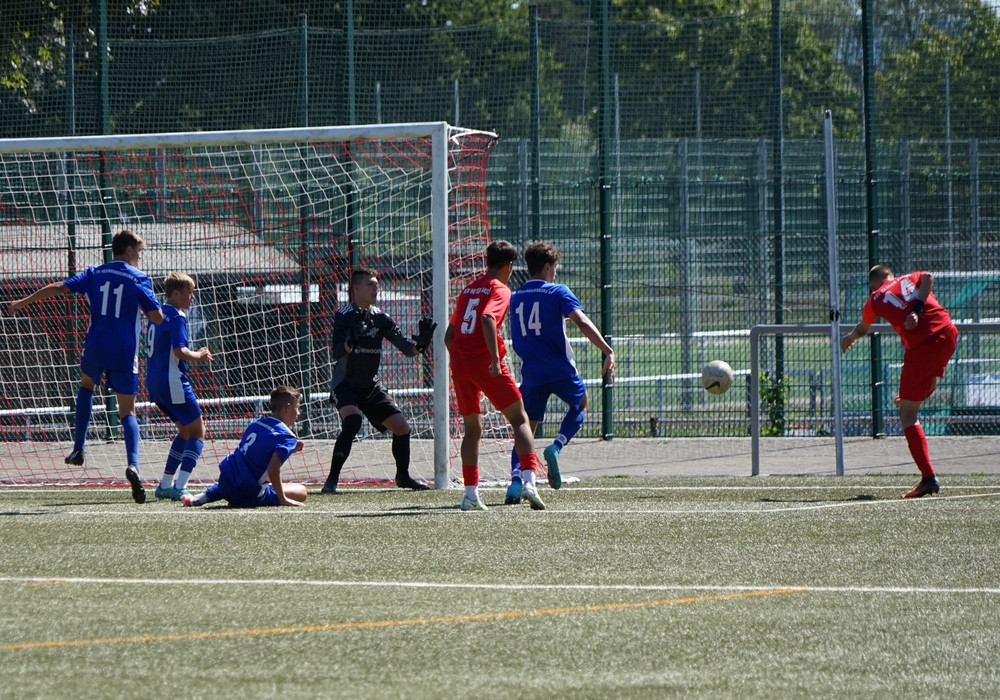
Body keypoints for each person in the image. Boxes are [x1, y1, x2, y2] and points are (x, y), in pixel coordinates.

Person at [8, 229, 163, 503]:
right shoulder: (138, 278)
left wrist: (23, 302)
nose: (140, 257)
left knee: (87, 386)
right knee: (127, 411)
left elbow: (58, 287)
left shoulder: (94, 273)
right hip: (125, 350)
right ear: (128, 251)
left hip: (96, 345)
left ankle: (79, 447)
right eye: (139, 251)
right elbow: (157, 317)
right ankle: (133, 465)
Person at [505, 241, 616, 503]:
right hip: (559, 369)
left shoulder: (515, 296)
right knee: (581, 404)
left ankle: (515, 482)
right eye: (554, 268)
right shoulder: (557, 291)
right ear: (546, 267)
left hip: (531, 372)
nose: (555, 272)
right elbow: (581, 320)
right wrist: (607, 350)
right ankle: (556, 446)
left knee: (525, 429)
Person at [841, 265, 958, 499]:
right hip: (948, 332)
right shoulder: (909, 277)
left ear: (873, 284)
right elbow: (928, 277)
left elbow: (864, 327)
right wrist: (917, 307)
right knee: (915, 395)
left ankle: (928, 478)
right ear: (890, 275)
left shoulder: (875, 298)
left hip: (923, 345)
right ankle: (918, 393)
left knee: (907, 415)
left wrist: (849, 337)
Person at [444, 240, 544, 511]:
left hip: (460, 363)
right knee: (519, 418)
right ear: (509, 266)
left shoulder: (467, 289)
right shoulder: (500, 289)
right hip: (485, 362)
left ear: (487, 261)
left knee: (472, 430)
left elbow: (449, 336)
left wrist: (459, 361)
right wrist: (496, 361)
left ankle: (470, 494)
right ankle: (529, 482)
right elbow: (488, 318)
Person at [320, 267, 437, 494]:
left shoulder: (381, 318)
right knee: (353, 422)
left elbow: (406, 349)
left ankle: (403, 476)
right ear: (355, 288)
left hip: (370, 386)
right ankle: (331, 480)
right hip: (345, 384)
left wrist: (421, 344)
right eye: (370, 284)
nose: (376, 288)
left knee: (403, 428)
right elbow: (336, 352)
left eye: (376, 284)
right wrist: (350, 343)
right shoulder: (344, 315)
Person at [146, 272, 214, 502]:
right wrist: (200, 355)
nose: (192, 297)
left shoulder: (156, 314)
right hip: (171, 381)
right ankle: (181, 486)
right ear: (175, 293)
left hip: (154, 383)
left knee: (184, 431)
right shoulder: (177, 316)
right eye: (188, 292)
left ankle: (165, 485)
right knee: (198, 432)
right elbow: (180, 351)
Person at [183, 385, 307, 508]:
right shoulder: (287, 437)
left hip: (226, 480)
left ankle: (203, 496)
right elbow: (273, 470)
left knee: (240, 474)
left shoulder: (256, 423)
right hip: (246, 493)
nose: (298, 413)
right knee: (301, 491)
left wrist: (290, 449)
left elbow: (256, 452)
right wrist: (283, 499)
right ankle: (257, 497)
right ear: (288, 407)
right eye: (297, 408)